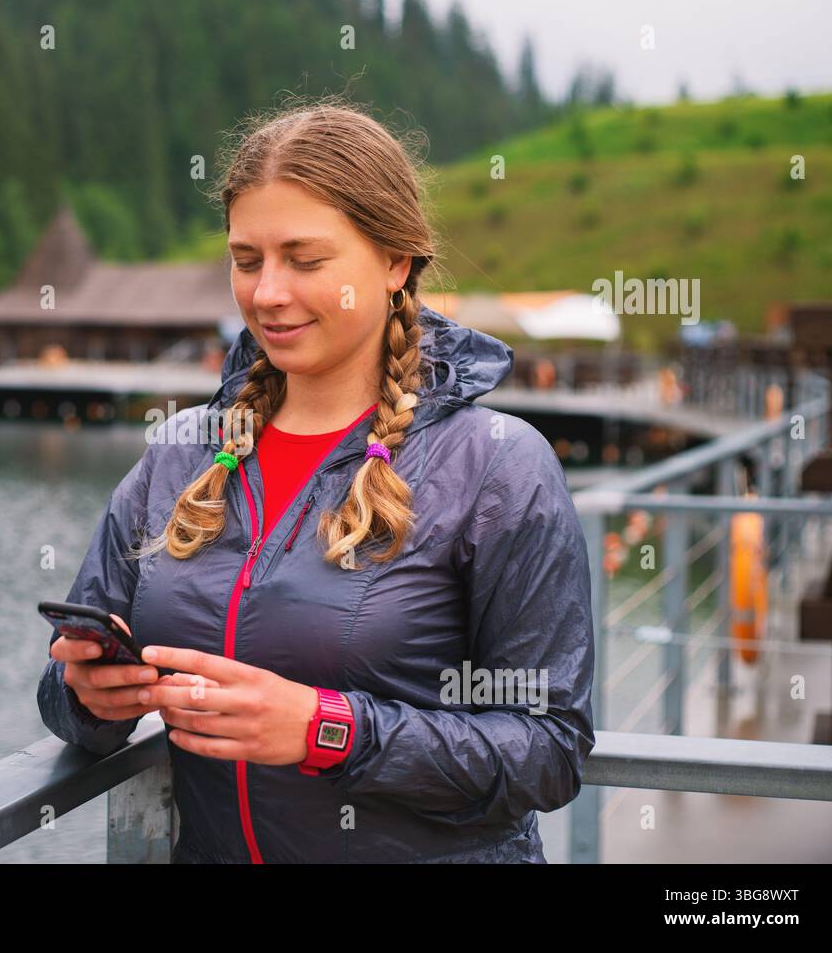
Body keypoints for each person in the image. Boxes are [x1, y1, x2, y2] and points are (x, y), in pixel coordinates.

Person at [37, 99, 595, 863]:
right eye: (246, 260)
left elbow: (548, 746)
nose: (267, 293)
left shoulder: (499, 466)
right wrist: (87, 696)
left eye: (305, 260)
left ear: (396, 261)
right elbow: (62, 693)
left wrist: (327, 729)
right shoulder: (176, 454)